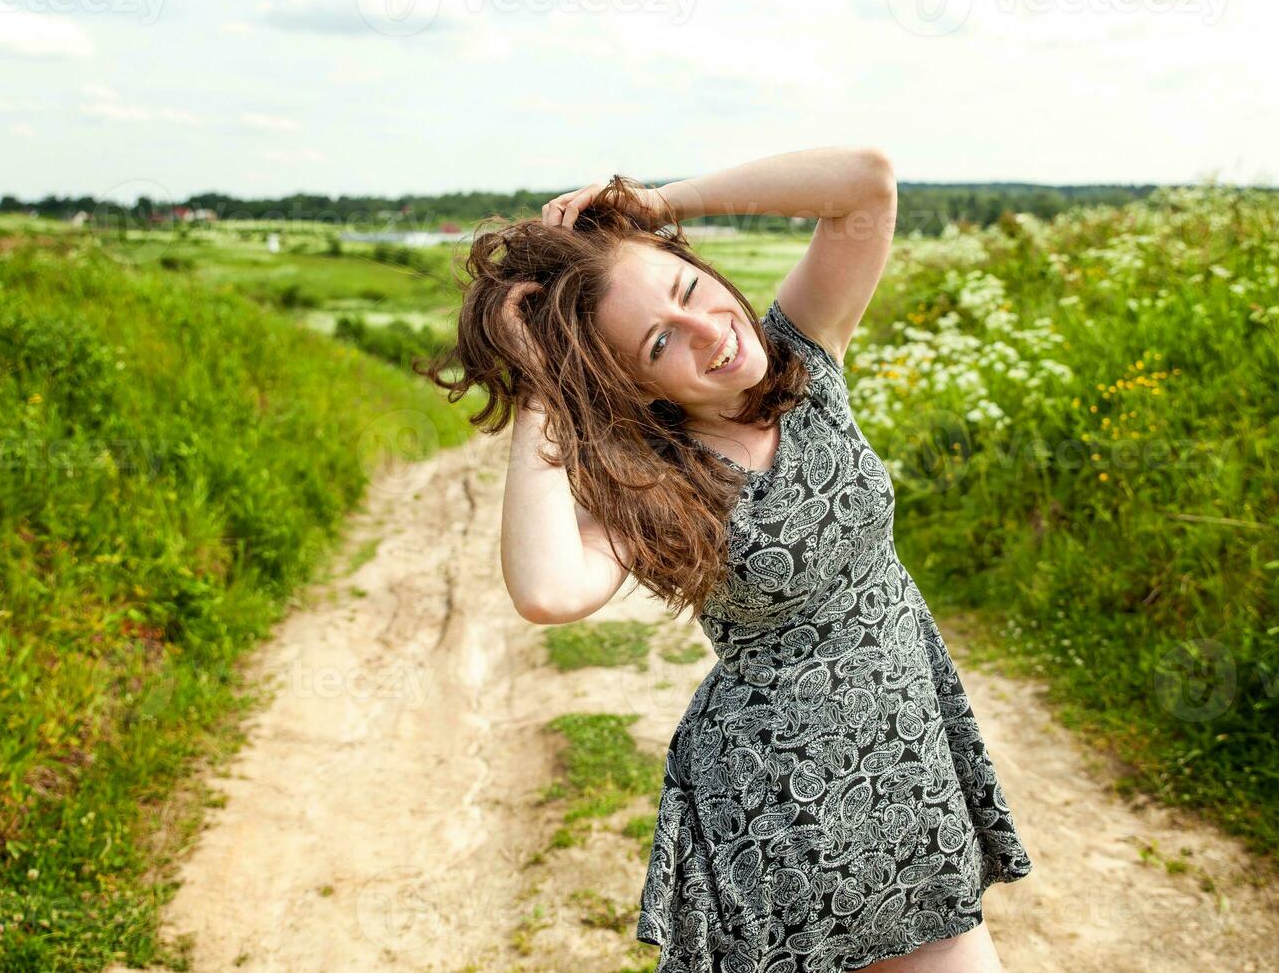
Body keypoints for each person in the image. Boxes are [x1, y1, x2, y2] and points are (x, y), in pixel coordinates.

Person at [418, 147, 1034, 972]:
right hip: (781, 807)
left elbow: (865, 183)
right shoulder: (653, 484)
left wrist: (654, 200)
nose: (712, 332)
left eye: (687, 289)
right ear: (631, 384)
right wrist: (539, 390)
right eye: (662, 340)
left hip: (911, 767)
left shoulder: (804, 357)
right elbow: (546, 591)